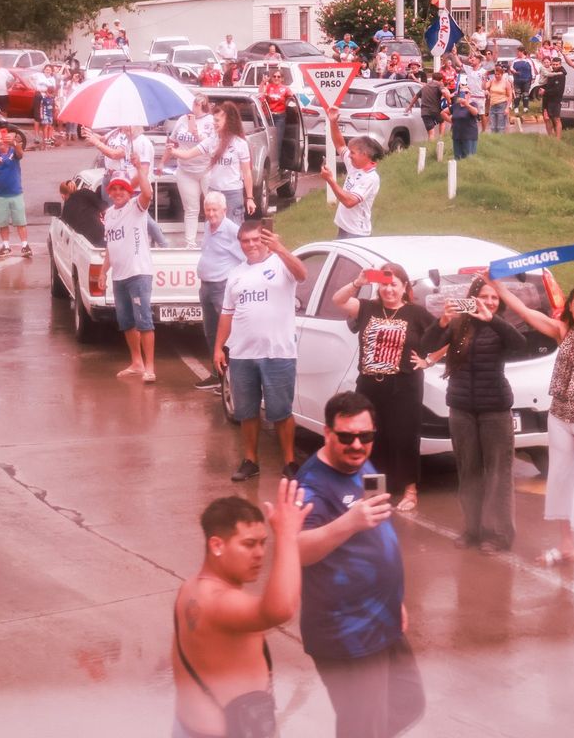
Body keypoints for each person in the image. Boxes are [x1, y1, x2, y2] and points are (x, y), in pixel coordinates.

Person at [295, 391, 425, 738]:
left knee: (407, 701)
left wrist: (393, 599)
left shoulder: (361, 462)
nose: (357, 445)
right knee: (361, 727)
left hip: (381, 616)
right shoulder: (310, 487)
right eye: (346, 436)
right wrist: (348, 522)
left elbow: (376, 533)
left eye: (365, 436)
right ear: (327, 433)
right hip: (347, 633)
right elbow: (298, 550)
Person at [491, 238, 574, 580]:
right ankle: (566, 546)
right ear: (570, 307)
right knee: (559, 481)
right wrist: (499, 290)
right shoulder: (563, 331)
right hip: (559, 417)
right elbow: (529, 314)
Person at [172, 483, 310, 738]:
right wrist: (288, 537)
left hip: (191, 727)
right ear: (217, 545)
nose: (259, 554)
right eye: (248, 544)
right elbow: (280, 610)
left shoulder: (190, 588)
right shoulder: (220, 602)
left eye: (263, 543)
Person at [423, 277, 524, 554]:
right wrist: (442, 321)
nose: (489, 301)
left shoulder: (501, 327)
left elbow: (520, 343)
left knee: (498, 475)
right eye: (484, 296)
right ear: (472, 298)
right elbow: (426, 344)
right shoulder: (459, 325)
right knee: (468, 472)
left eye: (494, 298)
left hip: (495, 409)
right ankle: (473, 530)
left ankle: (500, 534)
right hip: (462, 408)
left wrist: (492, 319)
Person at [330, 264, 433, 511]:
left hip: (404, 385)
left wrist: (428, 360)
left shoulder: (416, 313)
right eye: (384, 284)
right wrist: (358, 282)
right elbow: (338, 300)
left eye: (394, 285)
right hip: (369, 384)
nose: (389, 290)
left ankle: (410, 490)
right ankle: (374, 491)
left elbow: (445, 336)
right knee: (369, 437)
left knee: (404, 437)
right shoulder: (367, 308)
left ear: (405, 287)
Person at [214, 220, 308, 481]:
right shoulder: (236, 274)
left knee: (281, 411)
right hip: (243, 354)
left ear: (265, 239)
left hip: (278, 352)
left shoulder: (281, 263)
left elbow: (302, 274)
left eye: (256, 239)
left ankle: (289, 462)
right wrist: (219, 348)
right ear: (240, 244)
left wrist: (281, 249)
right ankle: (250, 461)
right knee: (246, 411)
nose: (251, 245)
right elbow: (226, 313)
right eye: (246, 241)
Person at [97, 166, 156, 381]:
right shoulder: (108, 215)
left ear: (129, 191)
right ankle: (136, 362)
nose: (118, 192)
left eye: (122, 188)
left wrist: (140, 168)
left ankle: (150, 367)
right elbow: (110, 248)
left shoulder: (136, 207)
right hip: (118, 276)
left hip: (138, 273)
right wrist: (104, 272)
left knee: (144, 320)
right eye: (114, 189)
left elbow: (148, 194)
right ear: (109, 192)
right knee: (126, 322)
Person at [193, 192, 246, 391]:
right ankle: (217, 374)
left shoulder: (232, 230)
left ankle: (231, 378)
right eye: (208, 209)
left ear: (224, 210)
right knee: (210, 332)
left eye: (215, 209)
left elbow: (245, 258)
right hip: (206, 287)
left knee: (227, 334)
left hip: (222, 288)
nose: (211, 213)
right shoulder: (208, 226)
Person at [169, 102, 254, 225]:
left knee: (234, 231)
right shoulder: (211, 141)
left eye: (218, 120)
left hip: (233, 193)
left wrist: (250, 198)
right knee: (212, 228)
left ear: (229, 121)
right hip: (213, 192)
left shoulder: (240, 144)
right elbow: (188, 155)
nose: (214, 123)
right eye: (214, 120)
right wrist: (172, 151)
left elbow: (247, 172)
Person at [319, 106, 383, 238]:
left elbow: (349, 202)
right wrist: (333, 122)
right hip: (344, 228)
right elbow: (340, 145)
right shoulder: (354, 165)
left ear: (364, 154)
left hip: (356, 234)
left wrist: (330, 180)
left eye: (352, 152)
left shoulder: (371, 178)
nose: (349, 155)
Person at [163, 94, 216, 247]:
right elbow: (172, 142)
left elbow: (211, 144)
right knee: (191, 208)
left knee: (211, 205)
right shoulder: (182, 120)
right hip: (186, 170)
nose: (191, 108)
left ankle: (211, 240)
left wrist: (196, 134)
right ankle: (190, 242)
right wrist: (162, 163)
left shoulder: (211, 122)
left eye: (195, 105)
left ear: (202, 105)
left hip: (206, 169)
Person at [0, 131, 31, 259]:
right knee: (2, 223)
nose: (0, 141)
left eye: (2, 139)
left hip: (16, 193)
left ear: (7, 140)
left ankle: (25, 245)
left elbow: (20, 154)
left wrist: (15, 142)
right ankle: (6, 246)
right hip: (0, 195)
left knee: (20, 221)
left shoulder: (13, 151)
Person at [59, 179, 107, 246]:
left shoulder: (65, 211)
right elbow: (102, 206)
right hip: (102, 232)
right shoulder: (85, 192)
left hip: (88, 240)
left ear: (63, 195)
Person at [258, 69, 292, 158]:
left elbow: (292, 97)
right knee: (266, 140)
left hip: (279, 117)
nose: (276, 78)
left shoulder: (285, 89)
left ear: (282, 79)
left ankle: (276, 163)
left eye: (278, 76)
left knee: (277, 141)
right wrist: (263, 82)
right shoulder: (268, 86)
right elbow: (260, 95)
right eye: (274, 76)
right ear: (271, 78)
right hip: (268, 117)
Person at [406, 72, 450, 140]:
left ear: (432, 78)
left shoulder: (425, 86)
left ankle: (431, 145)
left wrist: (410, 106)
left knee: (431, 133)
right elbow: (444, 92)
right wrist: (449, 101)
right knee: (442, 121)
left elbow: (416, 96)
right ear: (441, 80)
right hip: (436, 110)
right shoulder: (439, 84)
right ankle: (441, 139)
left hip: (425, 112)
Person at [538, 56, 567, 139]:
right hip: (546, 99)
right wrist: (542, 91)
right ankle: (550, 138)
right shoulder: (550, 71)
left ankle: (558, 139)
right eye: (553, 64)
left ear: (560, 64)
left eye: (557, 64)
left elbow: (558, 90)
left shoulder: (561, 74)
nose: (555, 66)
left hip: (555, 100)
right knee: (546, 118)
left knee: (556, 119)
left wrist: (545, 91)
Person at [449, 91, 480, 160]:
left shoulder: (473, 104)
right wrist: (451, 121)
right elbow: (443, 113)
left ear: (469, 95)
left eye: (466, 92)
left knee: (468, 158)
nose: (464, 94)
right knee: (457, 158)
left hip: (469, 136)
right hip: (457, 135)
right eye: (462, 92)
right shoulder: (455, 106)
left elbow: (475, 113)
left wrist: (467, 105)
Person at [33, 64, 57, 148]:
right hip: (39, 95)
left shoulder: (52, 79)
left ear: (51, 71)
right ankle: (36, 135)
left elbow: (53, 89)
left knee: (47, 118)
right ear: (44, 70)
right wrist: (34, 86)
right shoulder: (39, 76)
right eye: (46, 69)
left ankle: (47, 137)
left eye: (49, 70)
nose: (48, 71)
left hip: (48, 98)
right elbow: (30, 78)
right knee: (37, 117)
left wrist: (49, 94)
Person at [485, 64, 514, 134]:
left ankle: (501, 141)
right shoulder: (492, 81)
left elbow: (510, 96)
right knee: (493, 127)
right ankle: (494, 142)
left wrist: (507, 108)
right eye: (495, 74)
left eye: (498, 74)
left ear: (502, 74)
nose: (497, 76)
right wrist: (486, 89)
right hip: (493, 105)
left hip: (502, 105)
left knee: (500, 127)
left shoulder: (506, 83)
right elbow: (484, 87)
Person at [510, 48, 533, 118]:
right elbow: (511, 68)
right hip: (517, 80)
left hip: (527, 80)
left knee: (526, 94)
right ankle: (516, 107)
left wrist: (533, 78)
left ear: (522, 52)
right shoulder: (515, 60)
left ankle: (525, 108)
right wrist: (513, 71)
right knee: (517, 94)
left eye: (518, 52)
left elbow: (532, 69)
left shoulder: (528, 60)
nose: (517, 53)